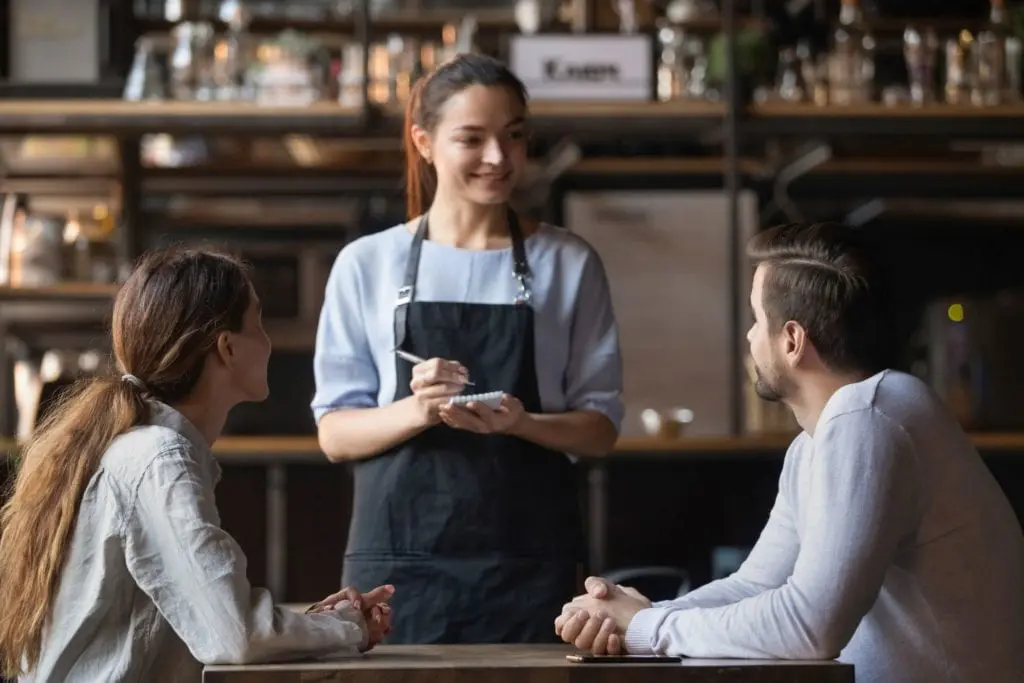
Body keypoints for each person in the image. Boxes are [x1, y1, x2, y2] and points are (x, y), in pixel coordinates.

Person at [555, 222, 1024, 683]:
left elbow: (810, 626)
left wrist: (644, 628)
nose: (749, 338)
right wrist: (633, 615)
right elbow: (757, 584)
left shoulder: (869, 417)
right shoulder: (819, 440)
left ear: (793, 341)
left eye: (757, 320)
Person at [312, 53, 624, 644]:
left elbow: (600, 429)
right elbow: (334, 433)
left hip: (531, 564)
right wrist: (418, 409)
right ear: (424, 142)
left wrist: (522, 422)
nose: (498, 159)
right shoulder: (367, 264)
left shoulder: (570, 262)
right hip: (399, 570)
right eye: (471, 139)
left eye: (513, 137)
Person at [0, 247, 394, 683]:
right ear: (227, 347)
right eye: (258, 324)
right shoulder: (160, 460)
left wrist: (321, 622)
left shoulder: (144, 449)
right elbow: (235, 635)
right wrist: (347, 629)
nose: (269, 342)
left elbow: (215, 620)